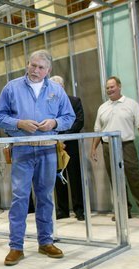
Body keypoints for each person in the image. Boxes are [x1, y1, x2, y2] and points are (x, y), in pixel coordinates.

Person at [0, 49, 75, 266]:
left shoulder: (56, 90)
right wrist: (19, 123)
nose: (35, 70)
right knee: (20, 197)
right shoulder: (12, 88)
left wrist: (54, 123)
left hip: (48, 149)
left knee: (46, 196)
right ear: (27, 64)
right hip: (22, 149)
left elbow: (69, 117)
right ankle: (16, 246)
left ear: (48, 70)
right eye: (32, 65)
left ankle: (45, 241)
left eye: (40, 67)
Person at [90, 76, 139, 223]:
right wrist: (94, 148)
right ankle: (124, 211)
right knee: (115, 179)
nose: (109, 90)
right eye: (107, 88)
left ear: (119, 87)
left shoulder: (131, 104)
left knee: (134, 177)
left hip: (126, 145)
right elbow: (98, 130)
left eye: (112, 87)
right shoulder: (102, 107)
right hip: (108, 146)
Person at [50, 75, 85, 221]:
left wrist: (65, 138)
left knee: (75, 177)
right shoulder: (48, 104)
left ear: (63, 86)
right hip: (55, 145)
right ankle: (62, 210)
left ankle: (79, 210)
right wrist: (57, 139)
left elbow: (79, 122)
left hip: (70, 144)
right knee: (58, 177)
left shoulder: (74, 101)